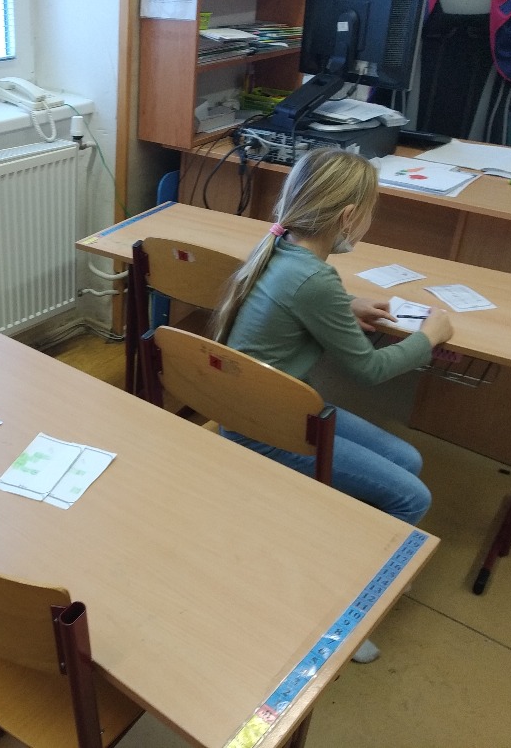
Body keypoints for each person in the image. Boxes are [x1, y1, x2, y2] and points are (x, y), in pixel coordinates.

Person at [208, 149, 454, 662]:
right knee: (412, 498)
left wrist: (346, 306)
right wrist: (430, 337)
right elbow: (370, 370)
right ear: (347, 216)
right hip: (267, 427)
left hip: (262, 409)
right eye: (370, 212)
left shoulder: (282, 248)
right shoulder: (315, 279)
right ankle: (351, 617)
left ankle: (350, 550)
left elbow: (298, 301)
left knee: (408, 460)